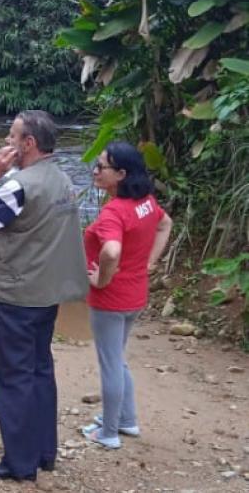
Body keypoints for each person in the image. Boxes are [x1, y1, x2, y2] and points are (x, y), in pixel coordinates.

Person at [0, 110, 89, 481]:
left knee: (11, 376)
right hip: (46, 294)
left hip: (14, 295)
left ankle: (19, 463)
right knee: (39, 370)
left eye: (11, 136)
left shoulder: (17, 186)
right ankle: (44, 453)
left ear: (28, 144)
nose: (6, 142)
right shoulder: (63, 179)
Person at [80, 142, 172, 449]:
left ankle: (108, 433)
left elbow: (111, 250)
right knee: (117, 359)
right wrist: (149, 263)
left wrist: (102, 280)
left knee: (110, 363)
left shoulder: (114, 212)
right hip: (135, 294)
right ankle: (127, 420)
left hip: (111, 300)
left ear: (121, 174)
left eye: (102, 166)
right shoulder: (145, 201)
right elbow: (165, 223)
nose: (95, 170)